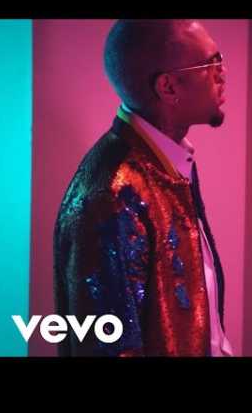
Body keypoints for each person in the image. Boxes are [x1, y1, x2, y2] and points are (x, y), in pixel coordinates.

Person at [53, 19, 232, 356]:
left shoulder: (170, 165)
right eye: (210, 63)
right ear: (168, 87)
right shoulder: (111, 196)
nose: (222, 73)